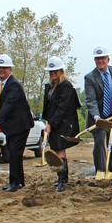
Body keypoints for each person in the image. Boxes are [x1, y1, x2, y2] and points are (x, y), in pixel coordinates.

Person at [0, 54, 34, 192]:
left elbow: (9, 104)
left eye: (4, 68)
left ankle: (14, 182)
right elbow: (1, 103)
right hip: (10, 126)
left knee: (14, 153)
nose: (1, 70)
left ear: (10, 69)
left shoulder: (14, 85)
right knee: (14, 152)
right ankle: (19, 181)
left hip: (21, 125)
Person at [84, 45, 112, 186]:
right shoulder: (90, 77)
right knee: (100, 143)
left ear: (108, 59)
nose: (100, 61)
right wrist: (96, 117)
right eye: (97, 58)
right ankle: (100, 174)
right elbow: (91, 100)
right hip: (98, 118)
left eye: (103, 58)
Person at [41, 56, 81, 192]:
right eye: (51, 71)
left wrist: (51, 124)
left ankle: (62, 180)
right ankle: (63, 178)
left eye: (56, 71)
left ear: (61, 71)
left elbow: (62, 108)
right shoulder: (50, 87)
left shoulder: (66, 86)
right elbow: (48, 107)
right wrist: (47, 121)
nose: (53, 73)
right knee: (57, 149)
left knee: (60, 149)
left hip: (63, 123)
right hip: (53, 122)